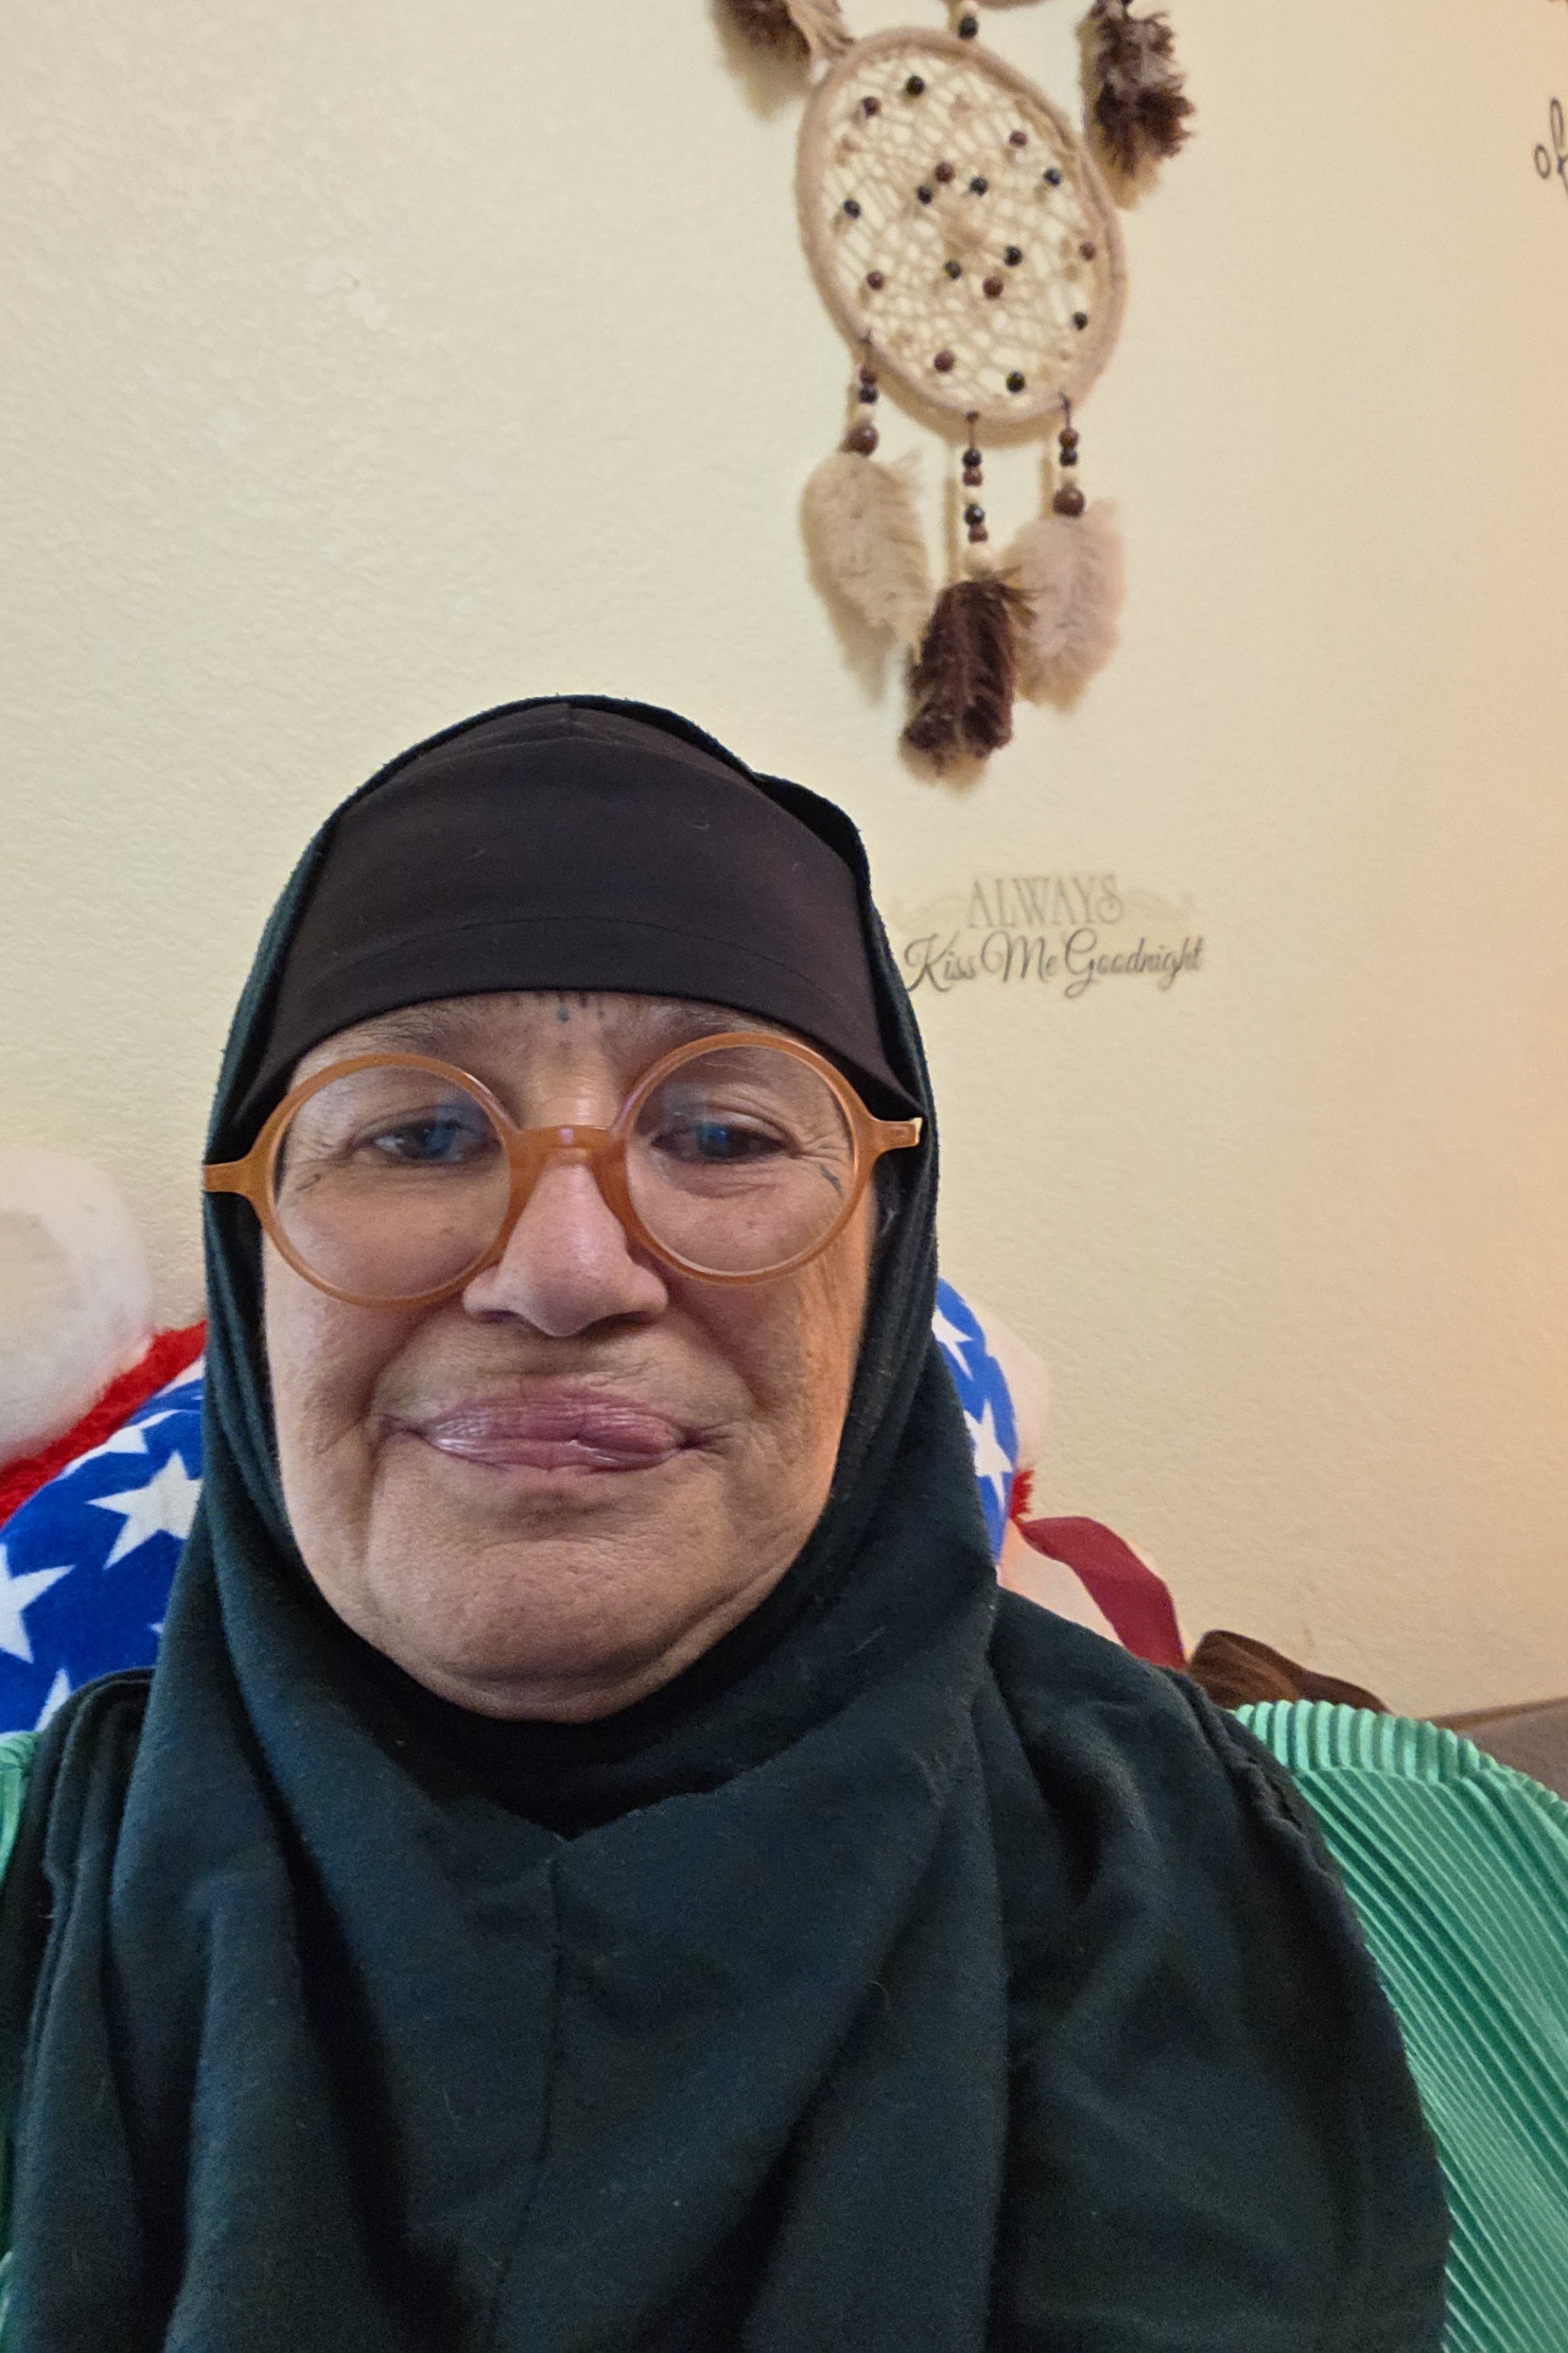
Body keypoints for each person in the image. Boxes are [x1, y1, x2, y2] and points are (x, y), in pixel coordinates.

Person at [0, 698, 1447, 2351]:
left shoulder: (1442, 1868)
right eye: (417, 1134)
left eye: (721, 1135)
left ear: (884, 1255)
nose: (562, 1271)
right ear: (251, 1250)